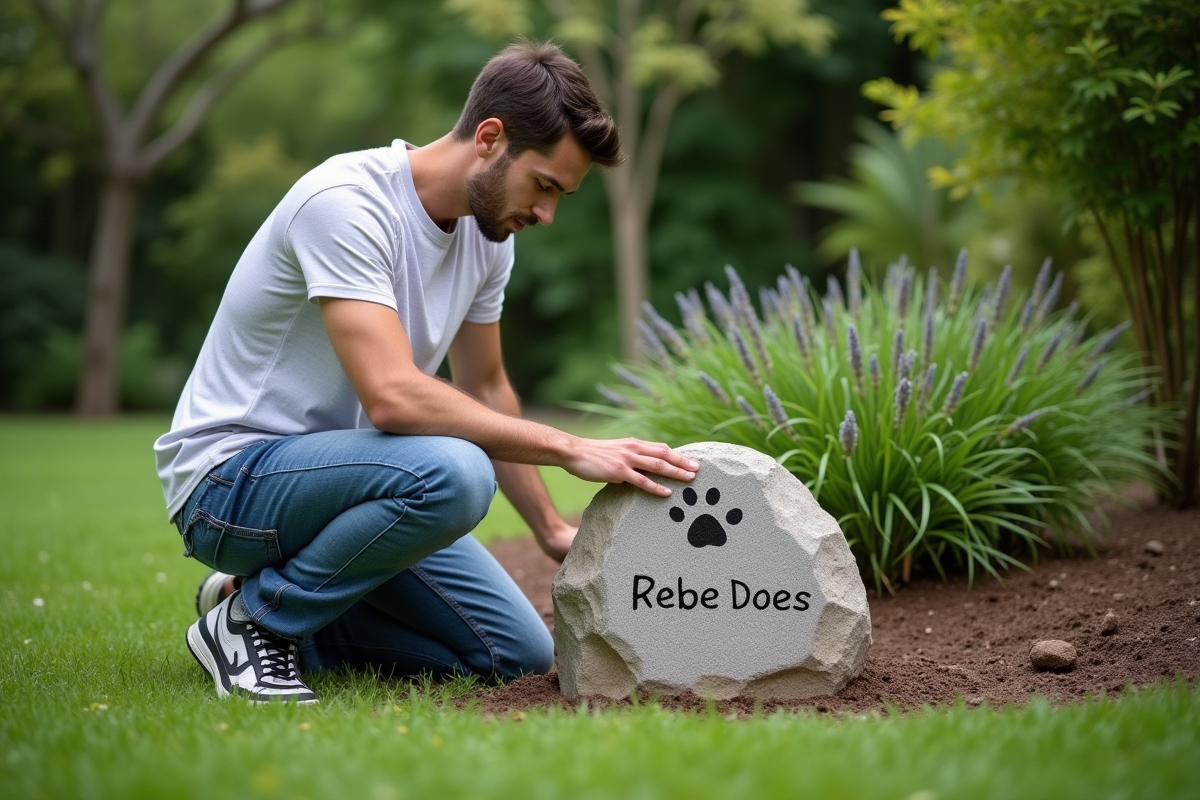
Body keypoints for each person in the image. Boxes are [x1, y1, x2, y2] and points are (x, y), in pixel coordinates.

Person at [153, 40, 699, 704]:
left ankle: (258, 600)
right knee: (457, 472)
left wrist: (550, 528)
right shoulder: (346, 203)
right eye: (545, 186)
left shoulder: (487, 236)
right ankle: (253, 626)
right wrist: (571, 447)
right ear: (490, 139)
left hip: (354, 490)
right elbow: (391, 398)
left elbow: (486, 388)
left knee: (513, 655)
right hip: (229, 483)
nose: (548, 214)